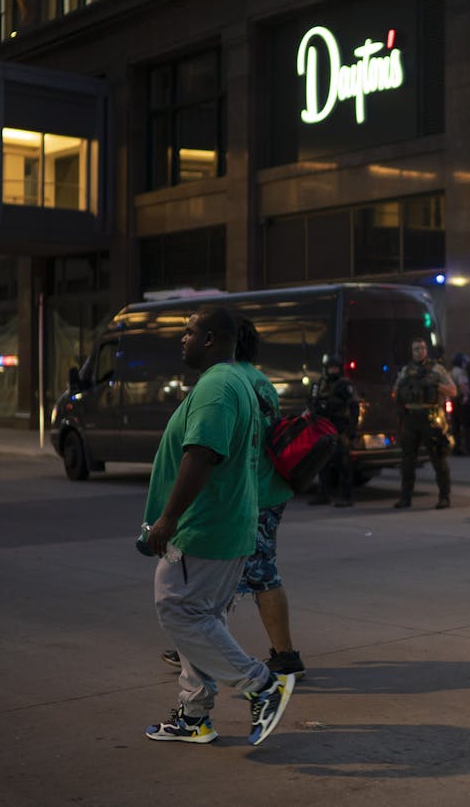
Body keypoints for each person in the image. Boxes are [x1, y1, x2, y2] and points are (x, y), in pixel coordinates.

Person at [141, 306, 294, 745]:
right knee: (202, 618)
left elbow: (202, 453)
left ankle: (261, 685)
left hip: (205, 526)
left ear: (210, 339)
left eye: (188, 332)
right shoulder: (237, 381)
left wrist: (169, 519)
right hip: (230, 522)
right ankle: (194, 715)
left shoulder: (217, 386)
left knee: (177, 608)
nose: (182, 339)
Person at [161, 318, 306, 677]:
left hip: (252, 495)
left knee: (257, 571)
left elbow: (215, 447)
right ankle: (199, 645)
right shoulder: (258, 379)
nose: (186, 339)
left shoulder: (229, 382)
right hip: (265, 491)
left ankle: (283, 658)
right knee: (237, 574)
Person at [393, 337, 456, 509]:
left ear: (426, 350)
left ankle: (444, 497)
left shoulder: (437, 370)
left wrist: (437, 387)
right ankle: (405, 498)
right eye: (416, 349)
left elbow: (453, 390)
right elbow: (396, 392)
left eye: (422, 348)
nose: (419, 351)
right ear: (411, 352)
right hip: (411, 418)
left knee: (438, 459)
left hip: (431, 418)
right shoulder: (406, 371)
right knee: (407, 462)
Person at [309, 353, 359, 506]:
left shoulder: (344, 385)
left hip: (339, 428)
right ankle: (324, 494)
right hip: (323, 427)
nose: (333, 371)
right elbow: (311, 402)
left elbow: (354, 406)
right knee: (322, 463)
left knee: (342, 463)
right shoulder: (320, 384)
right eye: (330, 368)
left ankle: (347, 496)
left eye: (336, 368)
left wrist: (352, 428)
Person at [449, 353, 470, 456]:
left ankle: (456, 449)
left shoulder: (452, 371)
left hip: (454, 400)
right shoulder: (460, 372)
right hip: (461, 400)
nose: (466, 364)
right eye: (464, 362)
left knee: (456, 425)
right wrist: (466, 396)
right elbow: (463, 384)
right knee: (467, 424)